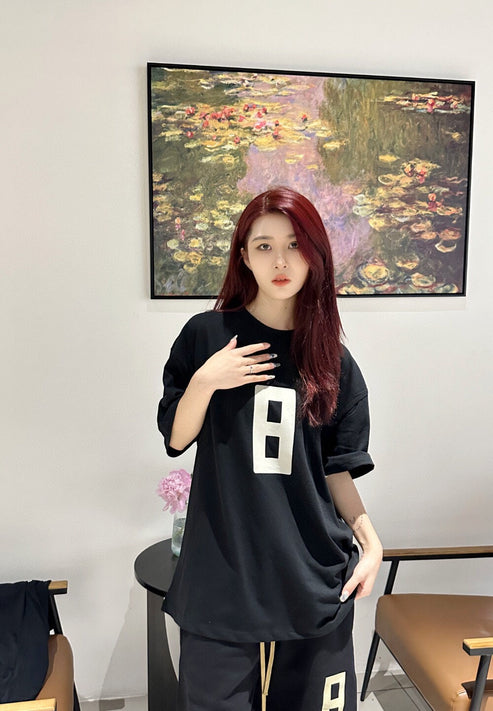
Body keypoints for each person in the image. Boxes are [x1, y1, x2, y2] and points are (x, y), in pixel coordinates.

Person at [157, 186, 383, 711]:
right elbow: (177, 437)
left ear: (315, 254)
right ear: (243, 255)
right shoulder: (207, 335)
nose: (280, 261)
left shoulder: (334, 361)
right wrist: (206, 380)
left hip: (312, 578)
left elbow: (334, 471)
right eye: (264, 246)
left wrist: (371, 543)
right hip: (222, 578)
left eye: (294, 245)